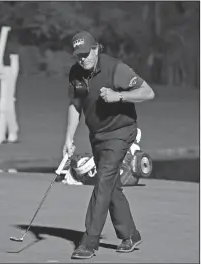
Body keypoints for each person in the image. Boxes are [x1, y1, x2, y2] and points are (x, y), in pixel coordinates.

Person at [63, 31, 155, 259]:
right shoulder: (76, 72)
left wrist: (118, 96)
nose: (82, 59)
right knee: (111, 186)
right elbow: (75, 105)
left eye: (85, 54)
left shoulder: (116, 68)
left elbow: (148, 92)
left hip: (121, 132)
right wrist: (68, 138)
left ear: (96, 48)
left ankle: (89, 241)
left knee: (103, 181)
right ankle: (130, 234)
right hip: (98, 135)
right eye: (78, 55)